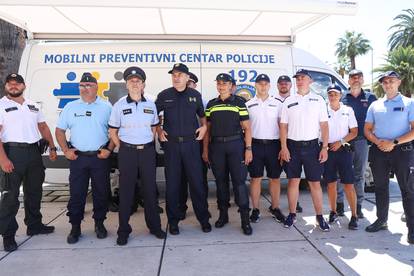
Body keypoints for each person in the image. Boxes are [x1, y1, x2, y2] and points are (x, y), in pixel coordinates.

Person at [109, 67, 166, 245]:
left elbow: (154, 127)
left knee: (150, 190)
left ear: (143, 84)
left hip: (147, 152)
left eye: (138, 81)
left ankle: (154, 227)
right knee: (126, 192)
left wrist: (147, 142)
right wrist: (123, 147)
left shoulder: (150, 105)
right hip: (127, 152)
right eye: (131, 80)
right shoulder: (119, 105)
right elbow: (113, 131)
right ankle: (123, 230)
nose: (135, 83)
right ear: (126, 84)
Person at [0, 73, 57, 252]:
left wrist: (53, 147)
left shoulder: (32, 105)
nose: (13, 86)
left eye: (17, 83)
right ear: (6, 86)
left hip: (33, 153)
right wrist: (3, 159)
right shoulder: (1, 105)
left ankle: (34, 225)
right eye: (10, 83)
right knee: (10, 197)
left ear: (23, 86)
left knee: (34, 192)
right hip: (11, 152)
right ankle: (8, 236)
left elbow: (43, 126)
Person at [56, 72, 113, 244]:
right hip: (78, 158)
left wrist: (109, 149)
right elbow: (60, 131)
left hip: (99, 157)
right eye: (82, 85)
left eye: (88, 85)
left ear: (96, 87)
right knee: (77, 194)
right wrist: (66, 150)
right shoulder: (70, 107)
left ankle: (99, 224)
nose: (85, 88)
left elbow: (116, 130)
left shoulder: (107, 107)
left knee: (101, 193)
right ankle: (75, 227)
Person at [156, 63, 211, 235]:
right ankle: (173, 222)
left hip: (191, 145)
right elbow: (153, 115)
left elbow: (203, 118)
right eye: (174, 74)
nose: (176, 77)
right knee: (172, 185)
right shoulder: (164, 95)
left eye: (180, 74)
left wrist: (204, 128)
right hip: (171, 146)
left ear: (187, 78)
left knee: (197, 184)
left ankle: (203, 219)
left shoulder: (195, 95)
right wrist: (158, 129)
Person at [364, 71, 414, 244]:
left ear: (399, 82)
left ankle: (412, 229)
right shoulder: (375, 105)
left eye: (391, 81)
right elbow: (367, 129)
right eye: (385, 82)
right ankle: (381, 220)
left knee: (407, 190)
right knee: (380, 187)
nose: (388, 84)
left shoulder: (409, 103)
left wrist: (393, 142)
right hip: (379, 150)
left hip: (402, 150)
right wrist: (379, 142)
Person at [279, 69, 330, 231]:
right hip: (293, 147)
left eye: (303, 78)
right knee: (293, 181)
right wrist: (284, 147)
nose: (299, 81)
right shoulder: (288, 101)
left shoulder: (318, 100)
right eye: (298, 78)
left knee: (314, 183)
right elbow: (283, 126)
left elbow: (324, 125)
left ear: (310, 81)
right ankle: (292, 214)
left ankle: (320, 216)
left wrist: (325, 147)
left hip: (313, 147)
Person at [203, 73, 253, 235]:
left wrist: (248, 149)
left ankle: (245, 219)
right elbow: (207, 131)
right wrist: (205, 150)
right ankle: (223, 216)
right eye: (219, 83)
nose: (221, 86)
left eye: (225, 83)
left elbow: (247, 128)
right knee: (221, 182)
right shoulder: (211, 105)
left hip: (236, 146)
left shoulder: (239, 103)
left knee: (239, 183)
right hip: (216, 147)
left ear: (231, 85)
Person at [246, 74, 285, 223]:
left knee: (274, 178)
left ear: (270, 86)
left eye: (266, 84)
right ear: (255, 85)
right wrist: (248, 148)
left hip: (274, 145)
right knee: (255, 179)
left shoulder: (278, 103)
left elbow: (282, 127)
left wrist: (283, 147)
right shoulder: (249, 104)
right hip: (255, 145)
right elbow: (246, 128)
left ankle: (275, 208)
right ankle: (255, 209)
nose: (263, 86)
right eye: (260, 83)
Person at [337, 69, 377, 218]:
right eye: (353, 77)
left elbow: (376, 118)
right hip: (344, 141)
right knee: (341, 174)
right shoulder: (342, 97)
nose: (356, 80)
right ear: (348, 81)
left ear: (363, 80)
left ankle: (358, 206)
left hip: (361, 141)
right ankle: (339, 205)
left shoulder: (371, 97)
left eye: (359, 77)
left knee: (359, 175)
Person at [323, 84, 359, 230]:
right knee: (331, 184)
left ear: (340, 95)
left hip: (343, 150)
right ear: (328, 95)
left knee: (349, 184)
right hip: (328, 150)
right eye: (330, 94)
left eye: (335, 94)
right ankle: (333, 211)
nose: (333, 96)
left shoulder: (348, 110)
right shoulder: (323, 110)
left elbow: (354, 131)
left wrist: (341, 142)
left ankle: (354, 216)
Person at [178, 71, 209, 220]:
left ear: (195, 85)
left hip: (198, 146)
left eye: (191, 83)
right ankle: (181, 208)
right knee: (181, 179)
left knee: (200, 180)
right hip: (181, 145)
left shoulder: (201, 101)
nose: (188, 85)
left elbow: (207, 126)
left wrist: (205, 150)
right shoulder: (174, 98)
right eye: (186, 82)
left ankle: (203, 209)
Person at [275, 75, 303, 213]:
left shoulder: (296, 100)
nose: (283, 85)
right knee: (275, 175)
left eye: (286, 83)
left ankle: (295, 202)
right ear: (277, 85)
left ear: (291, 85)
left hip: (291, 142)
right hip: (275, 141)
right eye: (281, 83)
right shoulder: (273, 100)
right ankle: (275, 204)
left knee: (292, 175)